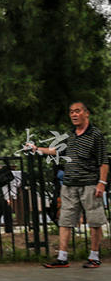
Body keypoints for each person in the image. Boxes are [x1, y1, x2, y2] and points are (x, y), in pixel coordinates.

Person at [32, 101, 108, 268]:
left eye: (77, 111)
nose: (74, 114)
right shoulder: (70, 135)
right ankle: (62, 257)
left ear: (86, 113)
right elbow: (55, 150)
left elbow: (104, 161)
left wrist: (102, 183)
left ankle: (94, 256)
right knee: (65, 220)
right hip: (69, 184)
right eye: (71, 112)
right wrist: (36, 148)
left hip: (89, 184)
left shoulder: (95, 135)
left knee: (94, 221)